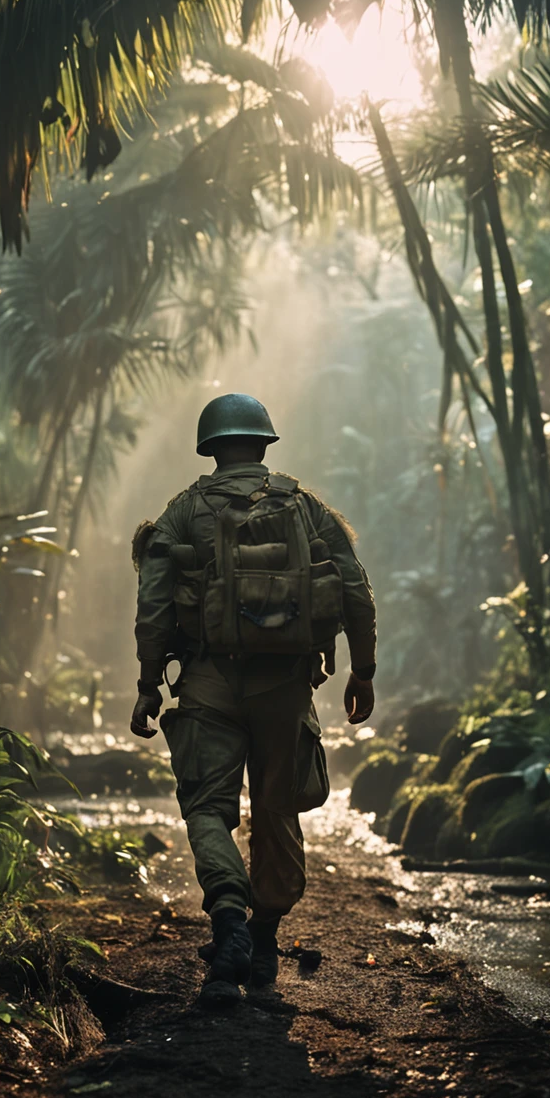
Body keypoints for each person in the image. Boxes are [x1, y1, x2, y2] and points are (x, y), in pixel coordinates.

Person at [130, 393, 376, 1005]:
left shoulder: (183, 511)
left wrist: (147, 684)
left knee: (207, 810)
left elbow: (154, 608)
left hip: (209, 683)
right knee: (277, 811)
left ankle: (231, 926)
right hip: (286, 686)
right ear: (265, 445)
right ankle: (262, 943)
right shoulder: (306, 507)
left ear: (209, 447)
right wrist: (362, 672)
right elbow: (355, 592)